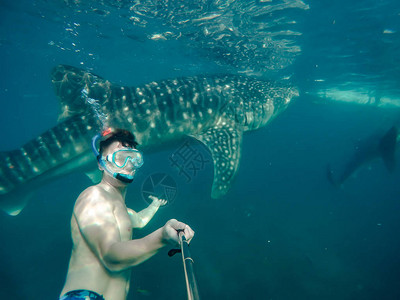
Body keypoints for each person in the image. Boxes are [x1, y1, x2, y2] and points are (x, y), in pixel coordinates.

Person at [59, 128, 195, 300]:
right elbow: (111, 257)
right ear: (100, 163)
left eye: (134, 158)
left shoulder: (120, 209)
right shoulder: (94, 196)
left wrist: (154, 205)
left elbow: (139, 220)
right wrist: (162, 236)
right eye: (120, 158)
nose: (129, 164)